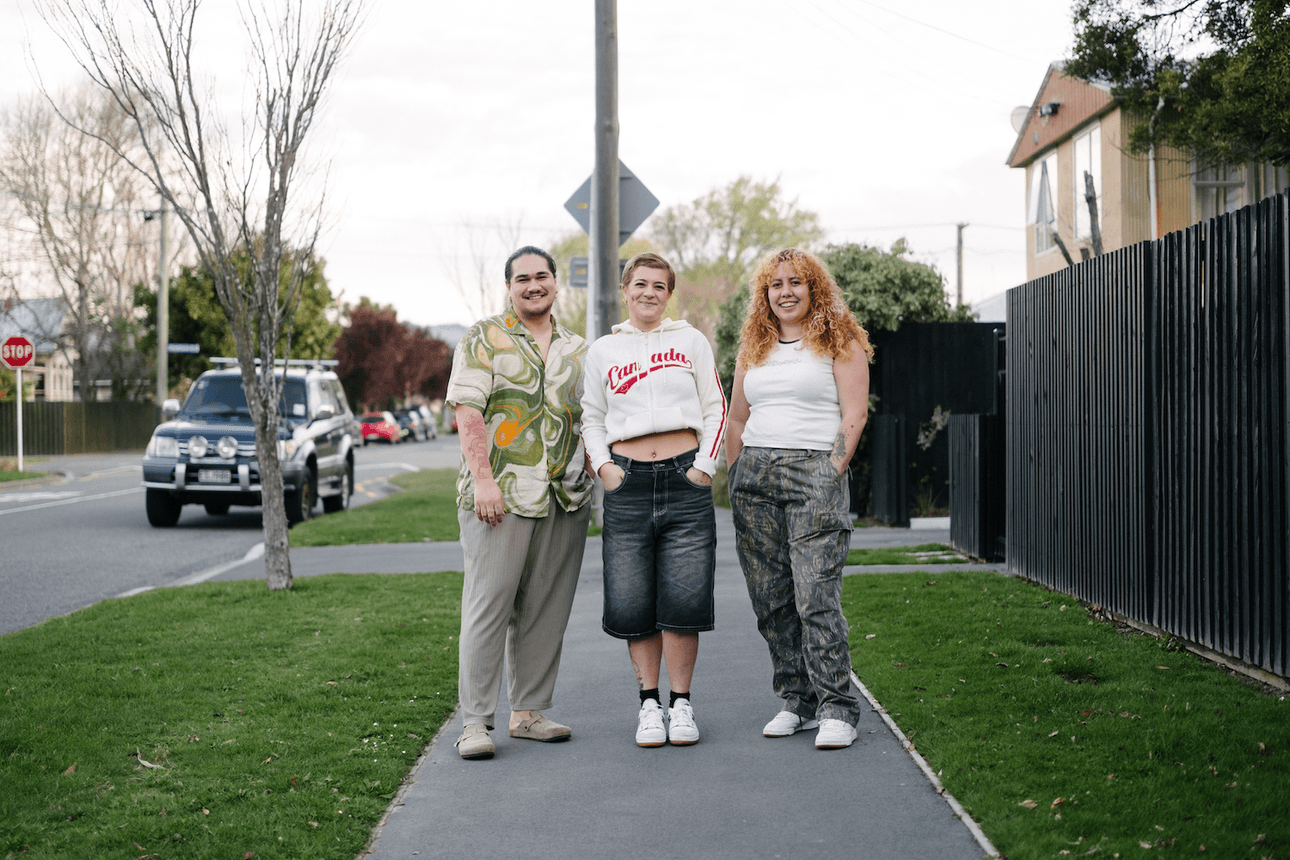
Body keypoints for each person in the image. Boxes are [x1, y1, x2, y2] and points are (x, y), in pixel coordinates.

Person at [445, 245, 594, 760]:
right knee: (488, 607)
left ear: (556, 283)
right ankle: (474, 723)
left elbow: (590, 419)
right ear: (508, 287)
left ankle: (528, 713)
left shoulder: (579, 349)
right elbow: (468, 413)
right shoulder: (485, 337)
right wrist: (483, 480)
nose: (534, 285)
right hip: (500, 496)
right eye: (523, 278)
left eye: (542, 276)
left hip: (565, 495)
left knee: (545, 610)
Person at [726, 248, 873, 750]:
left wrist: (831, 472)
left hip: (814, 472)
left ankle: (838, 706)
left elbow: (854, 415)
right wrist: (735, 470)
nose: (785, 292)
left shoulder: (840, 340)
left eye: (795, 282)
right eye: (775, 285)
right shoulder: (755, 346)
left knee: (815, 595)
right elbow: (738, 418)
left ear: (814, 288)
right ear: (764, 295)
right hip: (755, 477)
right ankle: (797, 700)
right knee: (771, 599)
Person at [581, 251, 727, 747]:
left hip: (685, 480)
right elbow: (591, 417)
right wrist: (605, 469)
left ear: (669, 293)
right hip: (628, 481)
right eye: (639, 284)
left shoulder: (690, 342)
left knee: (684, 595)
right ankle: (649, 705)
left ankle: (681, 704)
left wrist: (704, 468)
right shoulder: (603, 350)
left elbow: (716, 407)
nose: (649, 293)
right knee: (631, 596)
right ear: (625, 289)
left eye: (658, 286)